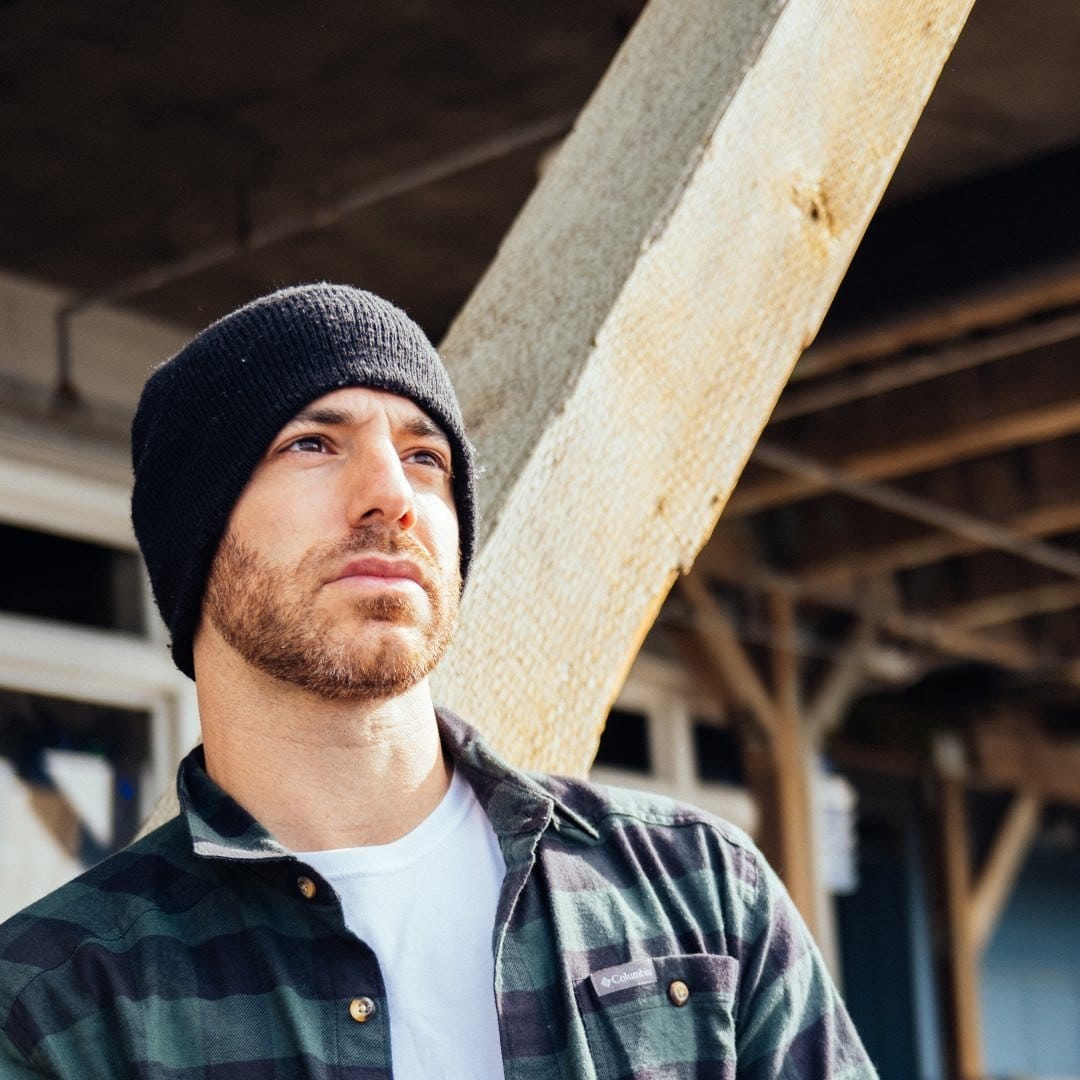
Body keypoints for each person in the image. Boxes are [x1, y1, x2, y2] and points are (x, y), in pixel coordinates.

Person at [0, 284, 876, 1079]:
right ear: (196, 538)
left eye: (427, 459)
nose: (393, 494)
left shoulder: (698, 890)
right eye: (312, 442)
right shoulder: (57, 1004)